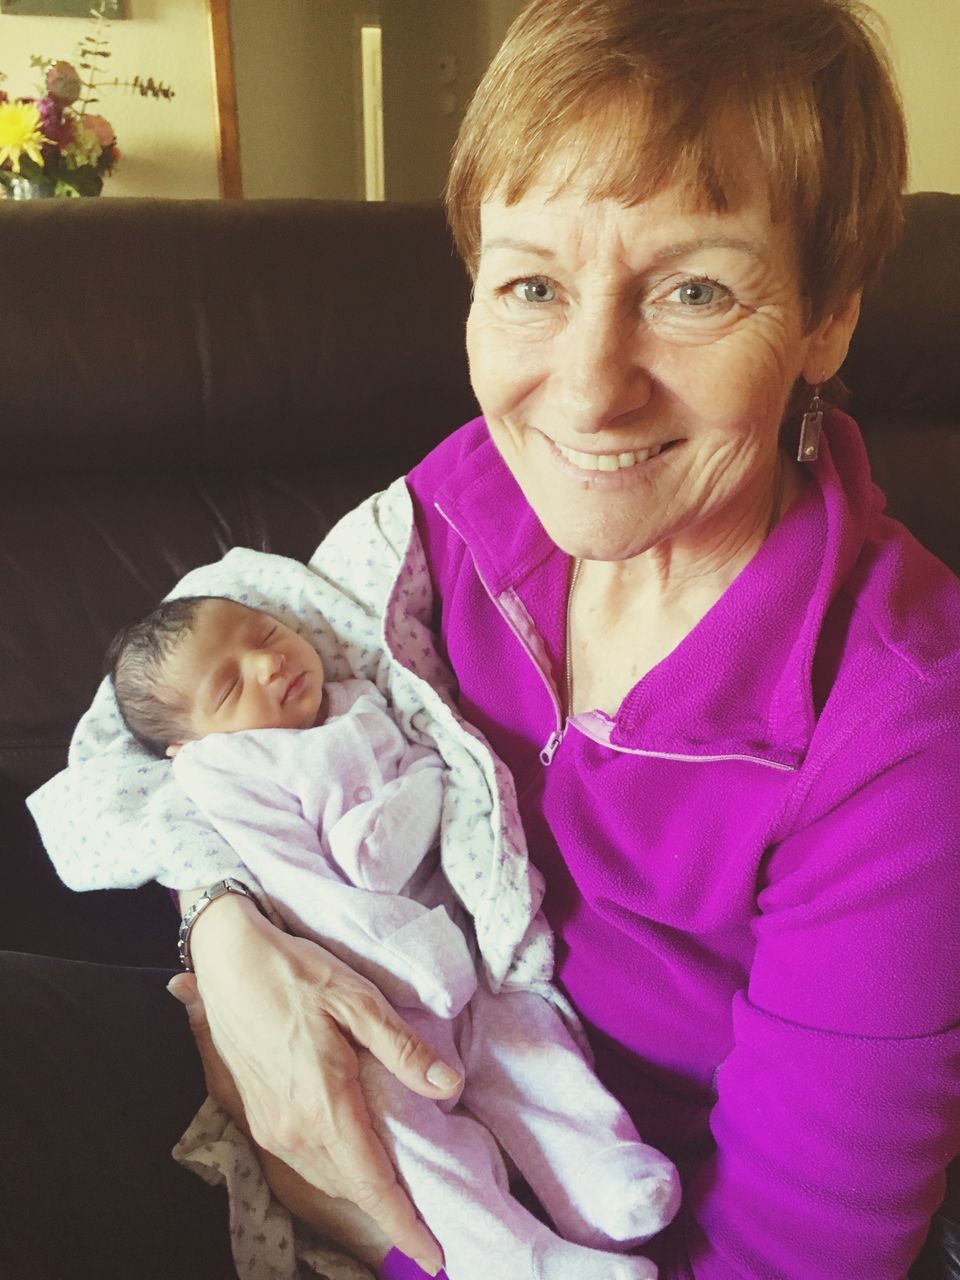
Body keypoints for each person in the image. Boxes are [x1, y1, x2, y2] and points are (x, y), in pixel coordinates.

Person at [12, 0, 960, 1277]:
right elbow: (132, 732)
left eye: (693, 288)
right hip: (307, 1084)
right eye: (532, 285)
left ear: (829, 316)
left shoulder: (902, 737)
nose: (584, 388)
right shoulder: (461, 511)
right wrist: (226, 932)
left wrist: (392, 1232)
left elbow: (792, 1260)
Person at [102, 592, 679, 1279]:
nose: (266, 661)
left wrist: (418, 802)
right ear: (188, 744)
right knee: (403, 1133)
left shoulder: (358, 696)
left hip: (461, 942)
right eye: (228, 686)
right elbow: (302, 886)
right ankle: (513, 1259)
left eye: (265, 633)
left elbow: (430, 768)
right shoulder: (226, 772)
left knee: (529, 1047)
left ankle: (600, 1178)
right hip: (362, 983)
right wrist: (403, 952)